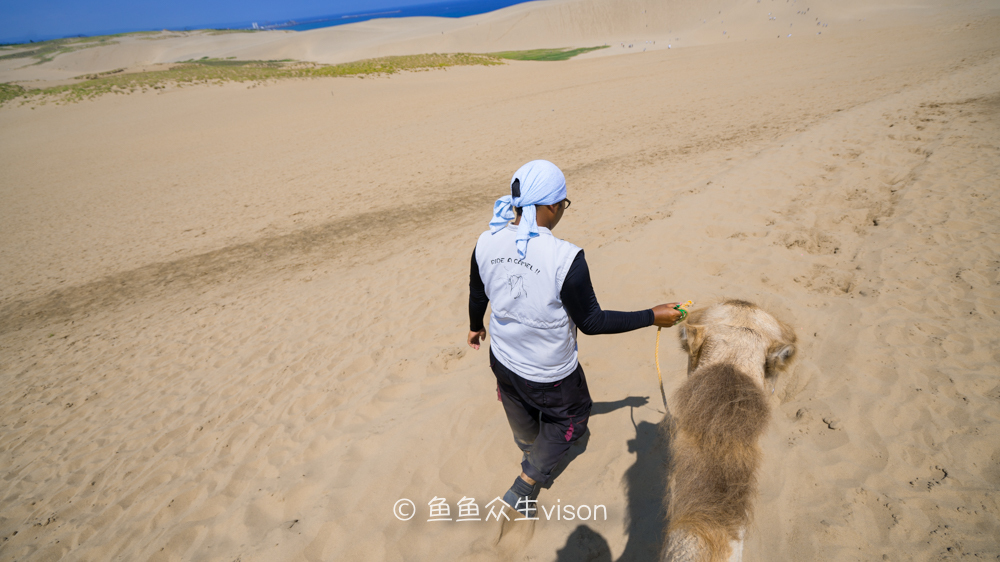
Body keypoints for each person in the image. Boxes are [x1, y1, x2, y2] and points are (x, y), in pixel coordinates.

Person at [467, 160, 684, 515]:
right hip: (550, 373)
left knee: (514, 399)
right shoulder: (565, 258)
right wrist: (651, 316)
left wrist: (476, 326)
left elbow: (478, 293)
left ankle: (527, 443)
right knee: (572, 418)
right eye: (564, 204)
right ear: (552, 206)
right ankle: (528, 480)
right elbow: (593, 322)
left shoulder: (485, 240)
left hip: (502, 359)